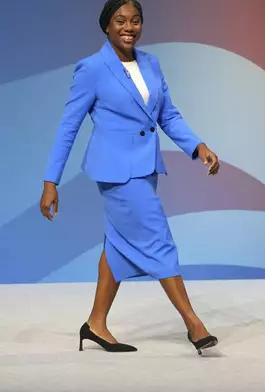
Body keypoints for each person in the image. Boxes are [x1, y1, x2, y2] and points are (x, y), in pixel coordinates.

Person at [39, 0, 220, 355]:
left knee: (117, 246)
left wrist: (198, 147)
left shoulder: (151, 65)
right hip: (116, 174)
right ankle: (194, 324)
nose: (129, 27)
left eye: (136, 20)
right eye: (120, 20)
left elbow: (169, 116)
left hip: (146, 169)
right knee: (158, 239)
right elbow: (68, 127)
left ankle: (95, 324)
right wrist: (51, 181)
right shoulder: (92, 69)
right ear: (106, 26)